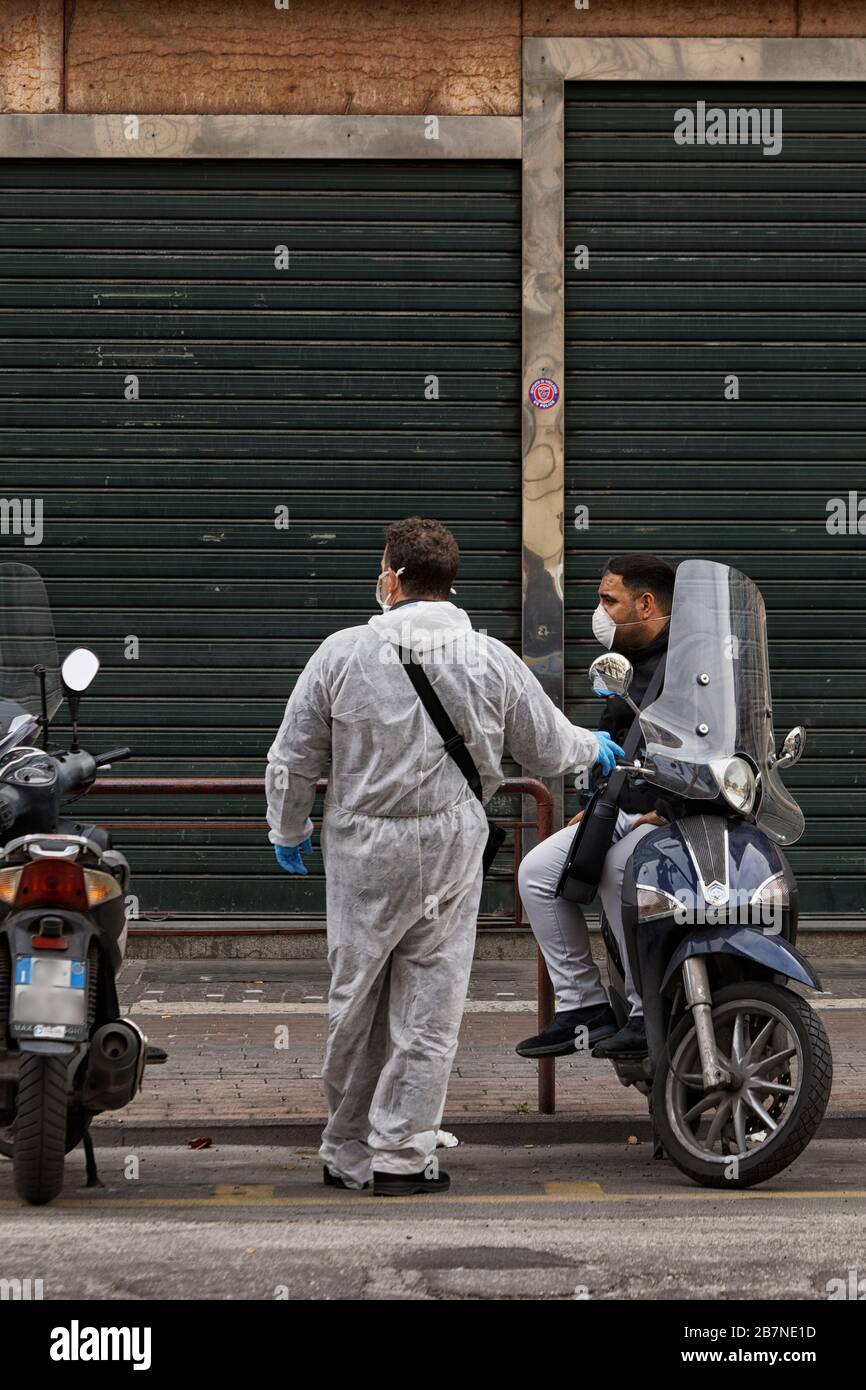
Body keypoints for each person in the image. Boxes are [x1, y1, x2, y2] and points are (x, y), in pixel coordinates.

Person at [265, 517, 622, 1195]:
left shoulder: (340, 654)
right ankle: (403, 1156)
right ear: (448, 582)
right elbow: (547, 747)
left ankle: (345, 1151)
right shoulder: (488, 657)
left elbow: (292, 755)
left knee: (356, 997)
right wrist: (592, 748)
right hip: (452, 841)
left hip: (363, 845)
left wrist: (288, 831)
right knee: (430, 1003)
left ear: (392, 578)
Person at [515, 553, 675, 1063]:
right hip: (623, 810)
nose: (599, 611)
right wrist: (594, 805)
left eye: (609, 599)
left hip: (676, 814)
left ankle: (642, 1012)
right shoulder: (624, 667)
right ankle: (583, 1004)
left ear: (645, 604)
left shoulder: (698, 665)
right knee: (537, 872)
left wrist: (667, 808)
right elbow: (614, 748)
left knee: (620, 869)